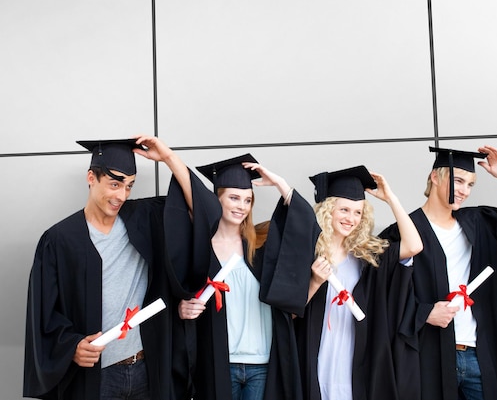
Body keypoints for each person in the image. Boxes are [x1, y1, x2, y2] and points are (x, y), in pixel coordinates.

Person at [23, 135, 198, 400]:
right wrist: (71, 346)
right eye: (115, 184)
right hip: (99, 377)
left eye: (129, 186)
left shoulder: (145, 218)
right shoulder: (60, 239)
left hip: (146, 369)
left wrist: (168, 157)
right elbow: (44, 314)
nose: (121, 196)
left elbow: (198, 209)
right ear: (91, 177)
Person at [379, 145, 497, 400]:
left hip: (479, 354)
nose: (464, 191)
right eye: (458, 180)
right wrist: (424, 312)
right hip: (429, 356)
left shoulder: (482, 224)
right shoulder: (401, 233)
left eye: (470, 184)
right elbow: (382, 296)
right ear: (435, 177)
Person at [173, 153, 316, 400]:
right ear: (217, 199)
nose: (241, 206)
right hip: (219, 362)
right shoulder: (200, 250)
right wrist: (182, 308)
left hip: (261, 365)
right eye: (234, 197)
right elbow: (178, 294)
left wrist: (280, 183)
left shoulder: (261, 245)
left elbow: (305, 229)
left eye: (247, 200)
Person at [295, 165, 423, 400]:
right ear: (328, 210)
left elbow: (414, 245)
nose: (351, 219)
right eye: (344, 209)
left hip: (355, 351)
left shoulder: (366, 256)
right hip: (318, 349)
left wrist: (390, 198)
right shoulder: (306, 253)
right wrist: (314, 281)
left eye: (358, 212)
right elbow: (289, 315)